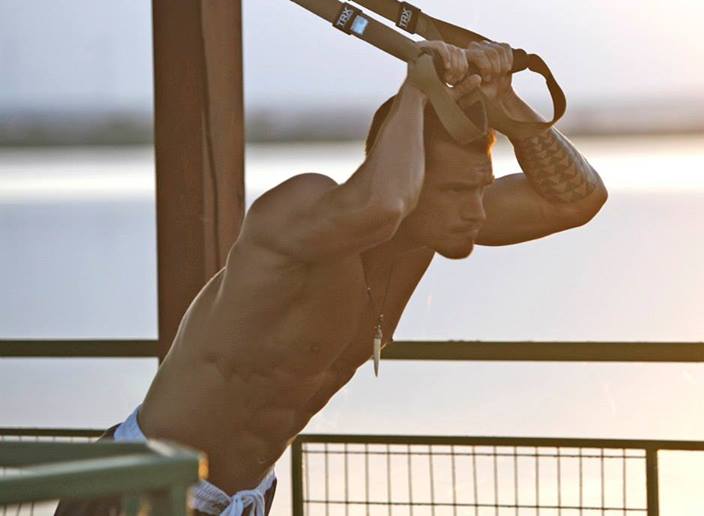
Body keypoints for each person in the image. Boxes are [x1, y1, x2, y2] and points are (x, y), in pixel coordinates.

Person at [55, 39, 607, 515]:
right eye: (459, 191)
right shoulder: (304, 214)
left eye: (480, 189)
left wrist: (505, 104)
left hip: (245, 499)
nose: (476, 209)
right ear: (412, 180)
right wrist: (416, 90)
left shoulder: (432, 228)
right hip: (143, 490)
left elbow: (578, 200)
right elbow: (382, 205)